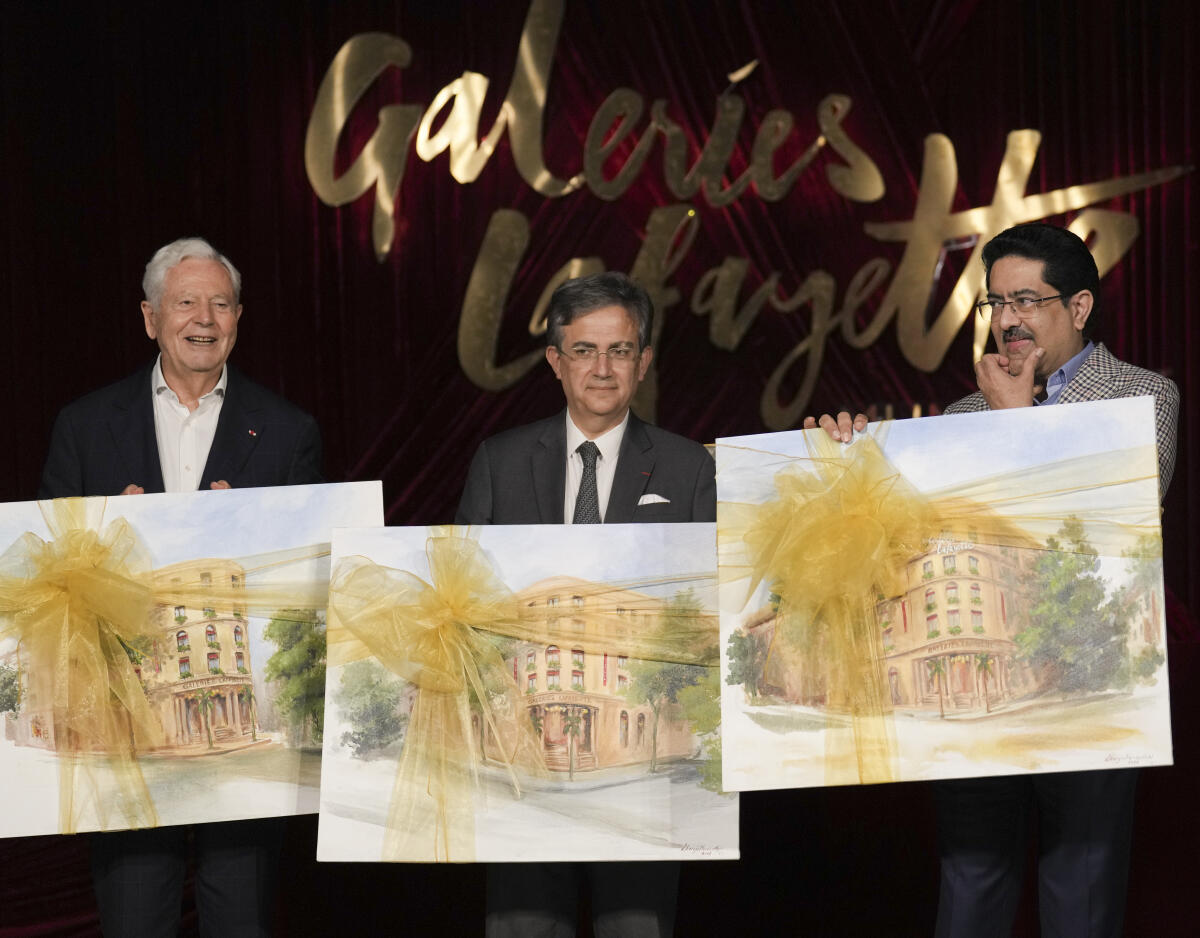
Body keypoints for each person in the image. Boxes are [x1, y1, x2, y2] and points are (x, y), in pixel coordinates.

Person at [808, 222, 1178, 938]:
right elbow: (919, 546)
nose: (1006, 320)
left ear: (1078, 308)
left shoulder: (1144, 397)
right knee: (972, 882)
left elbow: (1107, 536)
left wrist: (1016, 424)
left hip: (1091, 683)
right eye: (994, 303)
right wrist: (851, 461)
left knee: (1081, 892)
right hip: (979, 694)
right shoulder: (961, 414)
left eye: (1026, 300)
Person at [39, 237, 322, 937]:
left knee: (242, 919)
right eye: (185, 302)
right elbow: (47, 584)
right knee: (135, 918)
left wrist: (253, 536)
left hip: (244, 734)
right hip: (129, 721)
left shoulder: (289, 432)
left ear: (238, 318)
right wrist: (103, 551)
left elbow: (317, 582)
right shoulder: (83, 427)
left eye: (220, 303)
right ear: (149, 318)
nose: (204, 317)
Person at [456, 271, 715, 938]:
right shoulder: (499, 461)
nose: (603, 369)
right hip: (520, 781)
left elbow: (709, 611)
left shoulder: (691, 470)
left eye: (621, 351)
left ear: (644, 361)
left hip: (647, 801)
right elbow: (463, 603)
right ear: (556, 361)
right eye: (584, 350)